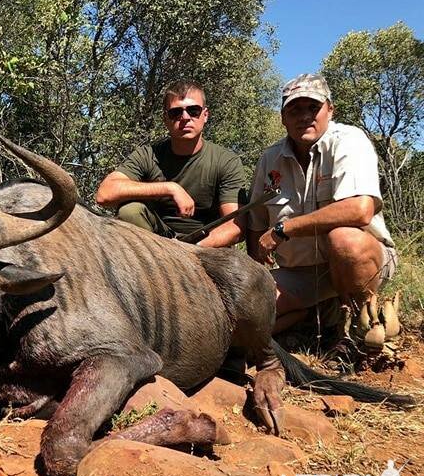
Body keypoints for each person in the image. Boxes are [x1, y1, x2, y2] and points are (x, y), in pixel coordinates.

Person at [247, 74, 397, 337]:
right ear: (283, 118)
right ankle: (315, 313)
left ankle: (358, 328)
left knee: (345, 240)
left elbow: (360, 210)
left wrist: (285, 229)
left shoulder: (349, 140)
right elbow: (256, 224)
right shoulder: (270, 159)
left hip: (361, 260)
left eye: (313, 108)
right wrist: (254, 271)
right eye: (294, 110)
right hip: (300, 273)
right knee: (245, 308)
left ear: (330, 110)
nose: (304, 116)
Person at [95, 80, 246, 247]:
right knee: (129, 211)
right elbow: (104, 194)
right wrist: (170, 188)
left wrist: (190, 249)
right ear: (165, 118)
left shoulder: (226, 161)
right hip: (157, 243)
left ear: (205, 115)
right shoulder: (148, 154)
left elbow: (234, 227)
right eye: (176, 113)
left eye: (193, 110)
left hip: (204, 247)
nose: (185, 117)